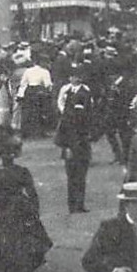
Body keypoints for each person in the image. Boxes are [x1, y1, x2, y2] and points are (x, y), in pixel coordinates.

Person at [54, 72, 95, 213]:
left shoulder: (84, 93)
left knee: (80, 175)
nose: (74, 78)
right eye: (72, 76)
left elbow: (86, 117)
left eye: (77, 76)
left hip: (80, 141)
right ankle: (73, 204)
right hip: (71, 142)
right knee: (72, 175)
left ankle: (78, 204)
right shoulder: (67, 91)